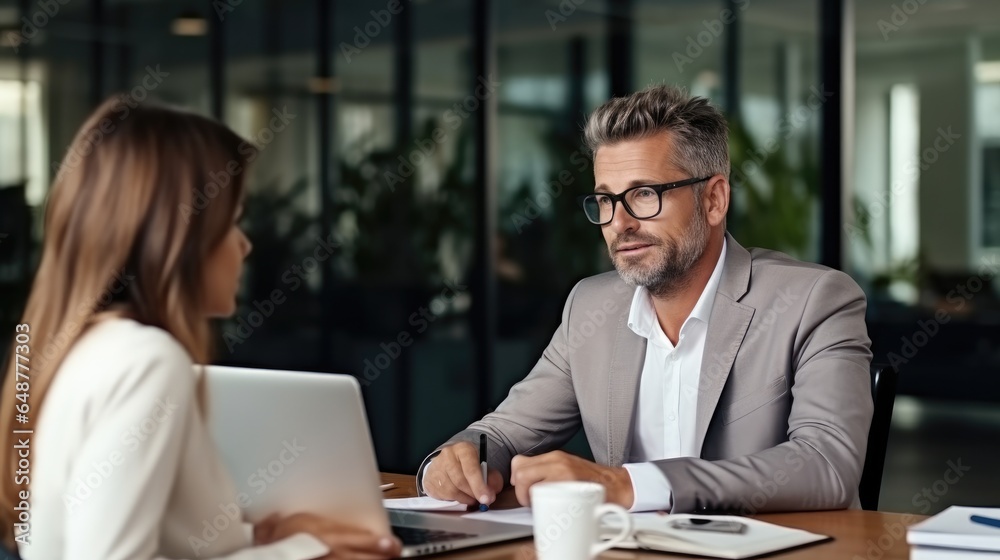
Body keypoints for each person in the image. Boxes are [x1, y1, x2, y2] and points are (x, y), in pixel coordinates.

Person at [418, 85, 874, 514]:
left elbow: (826, 464)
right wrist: (453, 463)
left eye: (643, 194)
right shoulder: (590, 308)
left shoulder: (815, 301)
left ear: (714, 200)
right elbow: (502, 433)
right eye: (605, 200)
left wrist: (628, 485)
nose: (620, 222)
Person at [0, 98, 402, 559]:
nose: (245, 244)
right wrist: (298, 554)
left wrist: (266, 539)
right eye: (232, 223)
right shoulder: (146, 359)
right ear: (177, 238)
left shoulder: (80, 347)